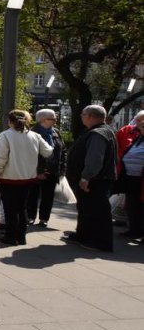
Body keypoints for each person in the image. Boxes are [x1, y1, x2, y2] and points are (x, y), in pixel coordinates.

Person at [0, 110, 54, 246]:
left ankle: (10, 236)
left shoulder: (5, 136)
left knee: (10, 209)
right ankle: (21, 236)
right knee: (21, 207)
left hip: (9, 178)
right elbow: (48, 151)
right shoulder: (35, 136)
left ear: (9, 121)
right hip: (28, 178)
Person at [64, 105, 118, 252]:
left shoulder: (98, 133)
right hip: (95, 178)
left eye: (83, 114)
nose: (81, 116)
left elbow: (95, 158)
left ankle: (100, 242)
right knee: (85, 208)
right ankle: (83, 235)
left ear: (90, 117)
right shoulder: (99, 131)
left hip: (95, 180)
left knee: (97, 210)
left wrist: (86, 177)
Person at [26, 109, 68, 228]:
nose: (56, 120)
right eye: (53, 118)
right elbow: (30, 154)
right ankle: (30, 216)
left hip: (53, 171)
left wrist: (62, 168)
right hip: (36, 171)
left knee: (48, 196)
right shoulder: (32, 133)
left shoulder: (56, 132)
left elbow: (63, 150)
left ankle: (44, 219)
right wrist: (38, 170)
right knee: (32, 195)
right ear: (43, 120)